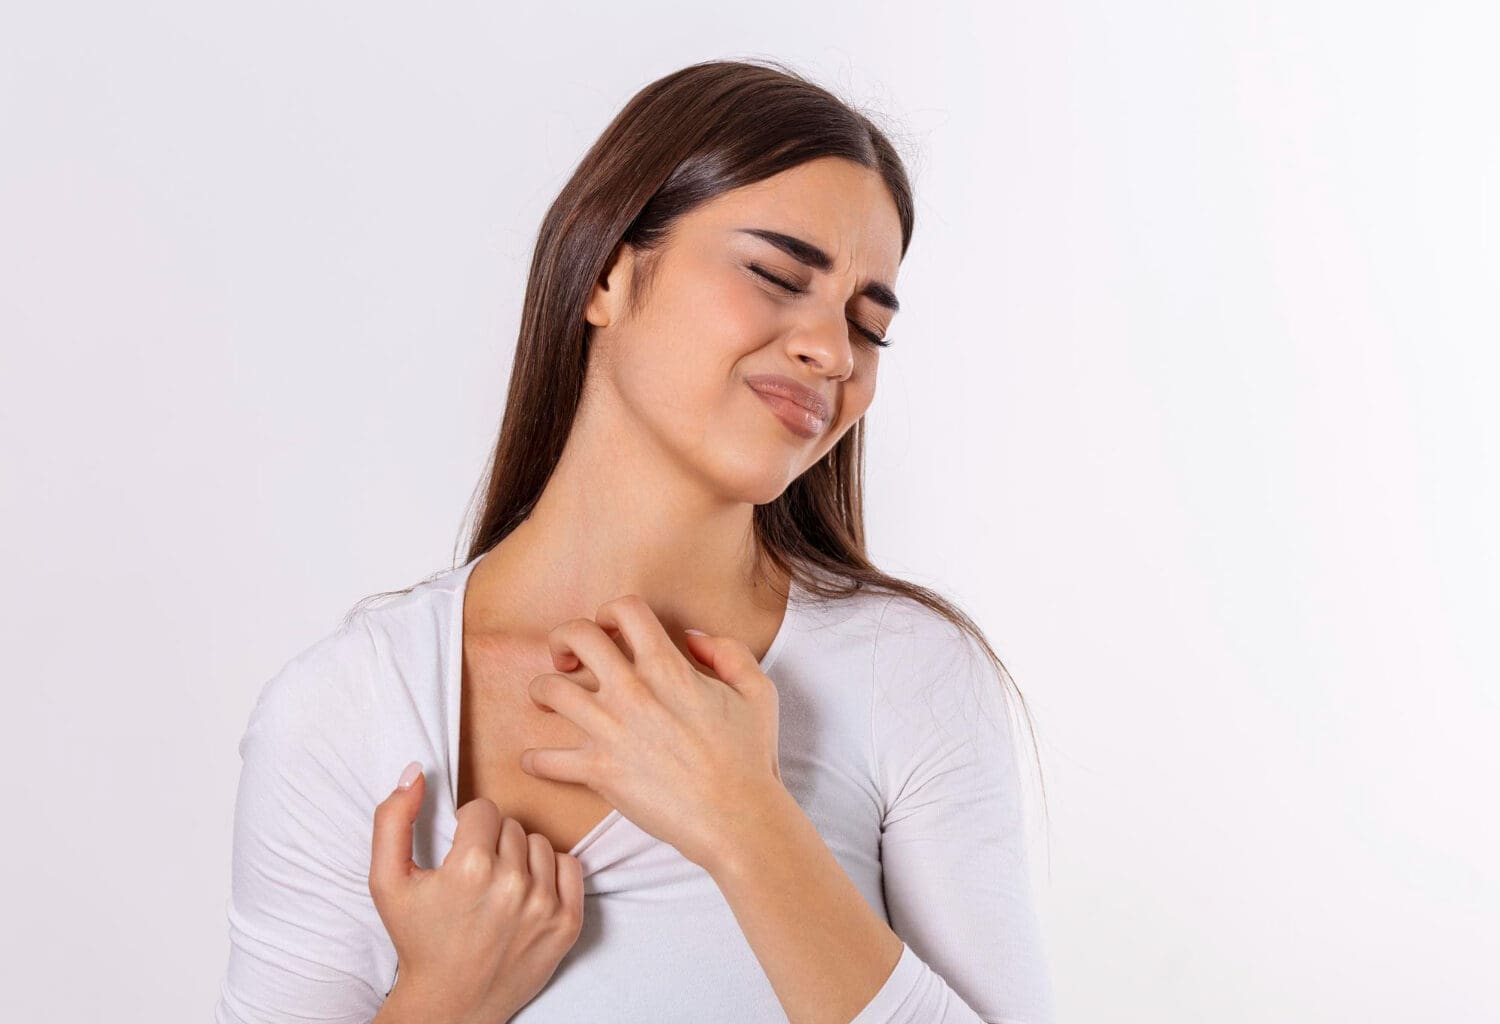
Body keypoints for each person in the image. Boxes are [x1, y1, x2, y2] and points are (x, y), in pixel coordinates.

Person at [215, 57, 1055, 1024]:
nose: (831, 351)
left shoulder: (909, 675)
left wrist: (744, 819)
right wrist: (443, 1002)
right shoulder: (348, 711)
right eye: (779, 276)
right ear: (606, 273)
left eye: (868, 328)